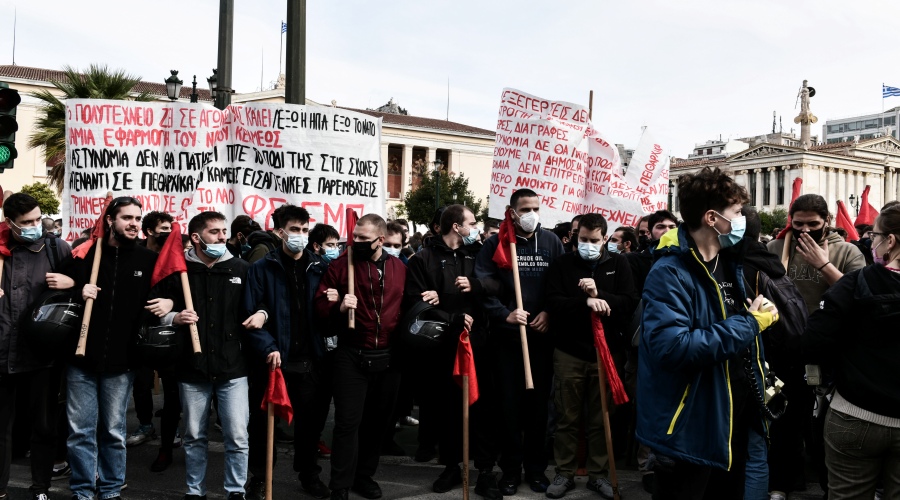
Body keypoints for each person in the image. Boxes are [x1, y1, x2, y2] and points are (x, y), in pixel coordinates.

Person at [636, 167, 780, 498]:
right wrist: (751, 323)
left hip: (731, 419)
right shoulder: (670, 272)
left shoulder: (731, 264)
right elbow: (673, 348)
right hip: (689, 426)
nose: (743, 218)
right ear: (713, 218)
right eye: (737, 212)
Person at [766, 194, 866, 497]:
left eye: (813, 225)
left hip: (829, 350)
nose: (805, 231)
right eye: (798, 225)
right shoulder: (775, 249)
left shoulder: (846, 251)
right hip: (785, 347)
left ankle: (828, 486)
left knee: (824, 426)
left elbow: (859, 295)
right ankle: (782, 483)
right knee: (784, 420)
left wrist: (822, 265)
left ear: (827, 223)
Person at [65, 197, 162, 500]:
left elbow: (166, 294)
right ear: (110, 221)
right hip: (80, 359)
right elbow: (56, 288)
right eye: (127, 218)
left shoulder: (147, 260)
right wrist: (78, 290)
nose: (134, 224)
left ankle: (110, 489)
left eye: (137, 218)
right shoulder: (84, 254)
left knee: (113, 432)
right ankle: (83, 490)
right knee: (81, 432)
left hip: (122, 363)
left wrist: (169, 302)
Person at [403, 204, 500, 498]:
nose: (476, 228)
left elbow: (497, 283)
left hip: (479, 343)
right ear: (456, 226)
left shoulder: (479, 253)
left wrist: (476, 284)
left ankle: (485, 470)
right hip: (442, 347)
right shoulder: (423, 258)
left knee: (481, 408)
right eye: (471, 223)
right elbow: (415, 302)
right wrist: (449, 316)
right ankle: (451, 466)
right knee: (446, 409)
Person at [803, 205, 900, 499]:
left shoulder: (857, 283)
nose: (874, 243)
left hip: (855, 416)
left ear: (891, 241)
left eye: (877, 236)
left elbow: (813, 341)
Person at [475, 188, 565, 495]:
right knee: (509, 408)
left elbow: (561, 285)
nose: (532, 214)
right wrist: (504, 314)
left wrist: (549, 312)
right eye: (525, 208)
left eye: (536, 207)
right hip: (507, 341)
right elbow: (484, 286)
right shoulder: (494, 244)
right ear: (512, 212)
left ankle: (537, 470)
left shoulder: (552, 242)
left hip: (540, 339)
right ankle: (511, 470)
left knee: (539, 409)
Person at [545, 213, 638, 499]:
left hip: (606, 352)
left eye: (594, 240)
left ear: (606, 239)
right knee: (567, 417)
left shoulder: (619, 263)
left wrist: (601, 296)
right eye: (583, 239)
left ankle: (599, 475)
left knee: (602, 418)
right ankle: (565, 472)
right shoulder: (562, 264)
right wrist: (585, 301)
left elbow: (629, 303)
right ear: (576, 237)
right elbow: (553, 302)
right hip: (569, 351)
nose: (588, 245)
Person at [244, 205, 334, 499]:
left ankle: (308, 473)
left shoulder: (321, 268)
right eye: (294, 230)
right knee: (262, 425)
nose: (300, 236)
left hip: (310, 362)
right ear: (279, 232)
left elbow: (324, 315)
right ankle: (259, 475)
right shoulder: (261, 268)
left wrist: (337, 302)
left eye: (305, 230)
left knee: (309, 426)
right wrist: (268, 348)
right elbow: (251, 313)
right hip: (272, 362)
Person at [315, 214, 406, 500]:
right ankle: (339, 485)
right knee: (347, 423)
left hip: (388, 356)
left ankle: (363, 476)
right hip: (351, 354)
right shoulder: (341, 265)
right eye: (355, 237)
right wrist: (338, 306)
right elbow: (319, 308)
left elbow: (408, 303)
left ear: (381, 239)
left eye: (364, 239)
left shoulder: (399, 268)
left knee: (377, 423)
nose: (357, 243)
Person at [161, 211, 250, 500]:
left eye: (224, 230)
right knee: (194, 437)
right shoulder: (179, 272)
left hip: (232, 368)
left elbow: (258, 306)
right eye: (215, 232)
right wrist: (173, 316)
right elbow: (152, 310)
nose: (223, 236)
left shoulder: (241, 269)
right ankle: (194, 491)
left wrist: (261, 314)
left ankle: (236, 491)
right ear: (197, 238)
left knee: (237, 437)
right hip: (191, 368)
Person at [0, 193, 74, 500]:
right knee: (1, 429)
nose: (35, 226)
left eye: (37, 219)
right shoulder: (1, 251)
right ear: (10, 223)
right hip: (3, 352)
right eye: (26, 223)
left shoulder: (57, 248)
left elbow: (83, 290)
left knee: (43, 427)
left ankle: (41, 487)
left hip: (42, 354)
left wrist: (71, 283)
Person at [126, 210, 175, 452]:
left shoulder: (175, 257)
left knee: (171, 380)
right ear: (149, 232)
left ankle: (171, 428)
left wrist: (172, 305)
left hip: (168, 329)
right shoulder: (136, 256)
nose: (168, 232)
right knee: (141, 382)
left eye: (170, 228)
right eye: (163, 228)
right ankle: (145, 425)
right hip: (140, 329)